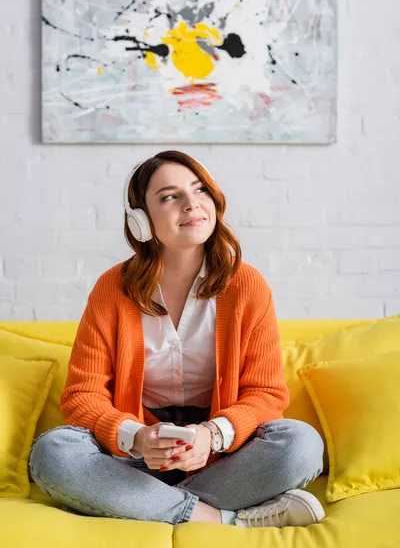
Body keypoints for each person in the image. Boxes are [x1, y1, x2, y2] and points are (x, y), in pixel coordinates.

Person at [29, 150, 325, 527]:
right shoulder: (111, 290)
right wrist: (137, 438)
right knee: (53, 452)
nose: (192, 204)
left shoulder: (246, 286)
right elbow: (82, 395)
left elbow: (266, 394)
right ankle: (224, 519)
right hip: (134, 461)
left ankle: (136, 504)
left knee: (301, 443)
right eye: (170, 196)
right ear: (140, 220)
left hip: (220, 459)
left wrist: (210, 436)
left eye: (200, 190)